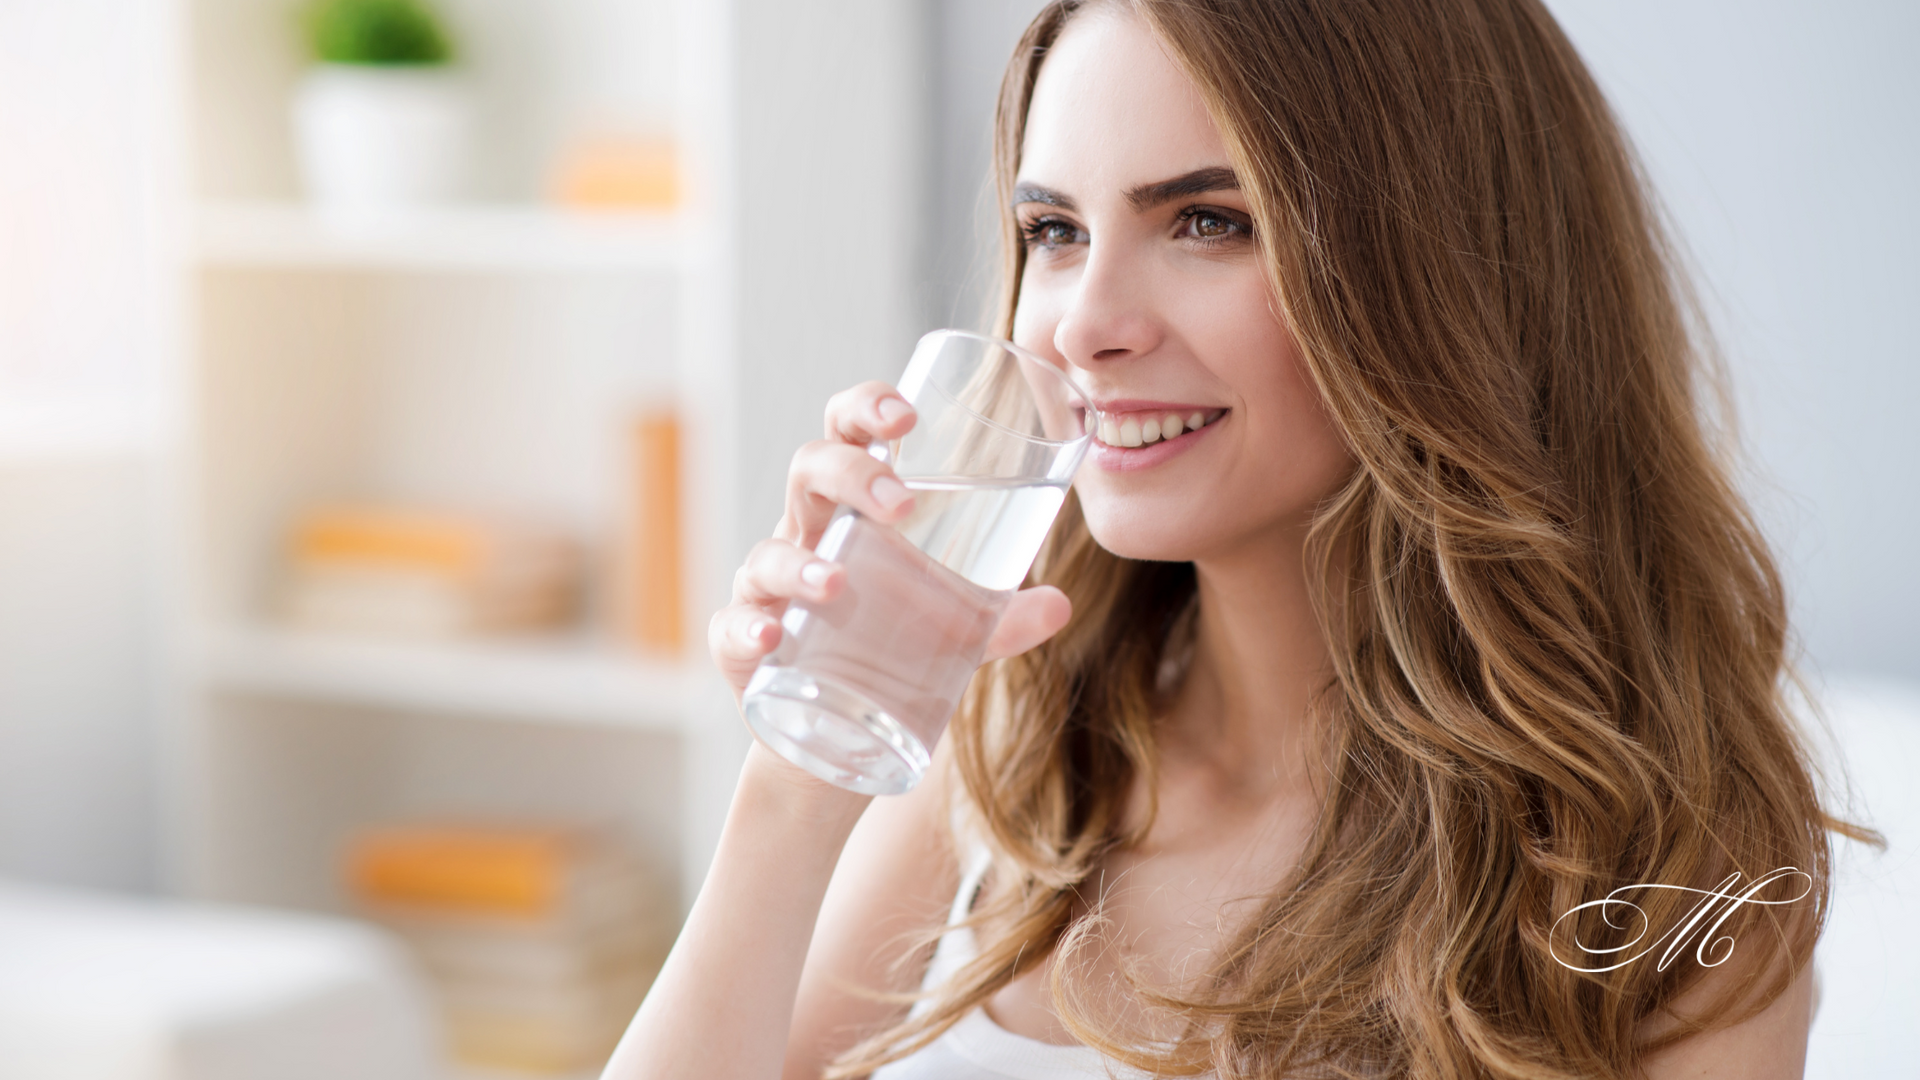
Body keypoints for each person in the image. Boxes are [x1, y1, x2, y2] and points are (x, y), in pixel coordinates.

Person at [606, 1, 1866, 1077]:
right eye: (1055, 232)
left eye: (1210, 220)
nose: (1083, 326)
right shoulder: (1002, 757)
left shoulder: (1673, 875)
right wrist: (800, 774)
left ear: (1446, 273)